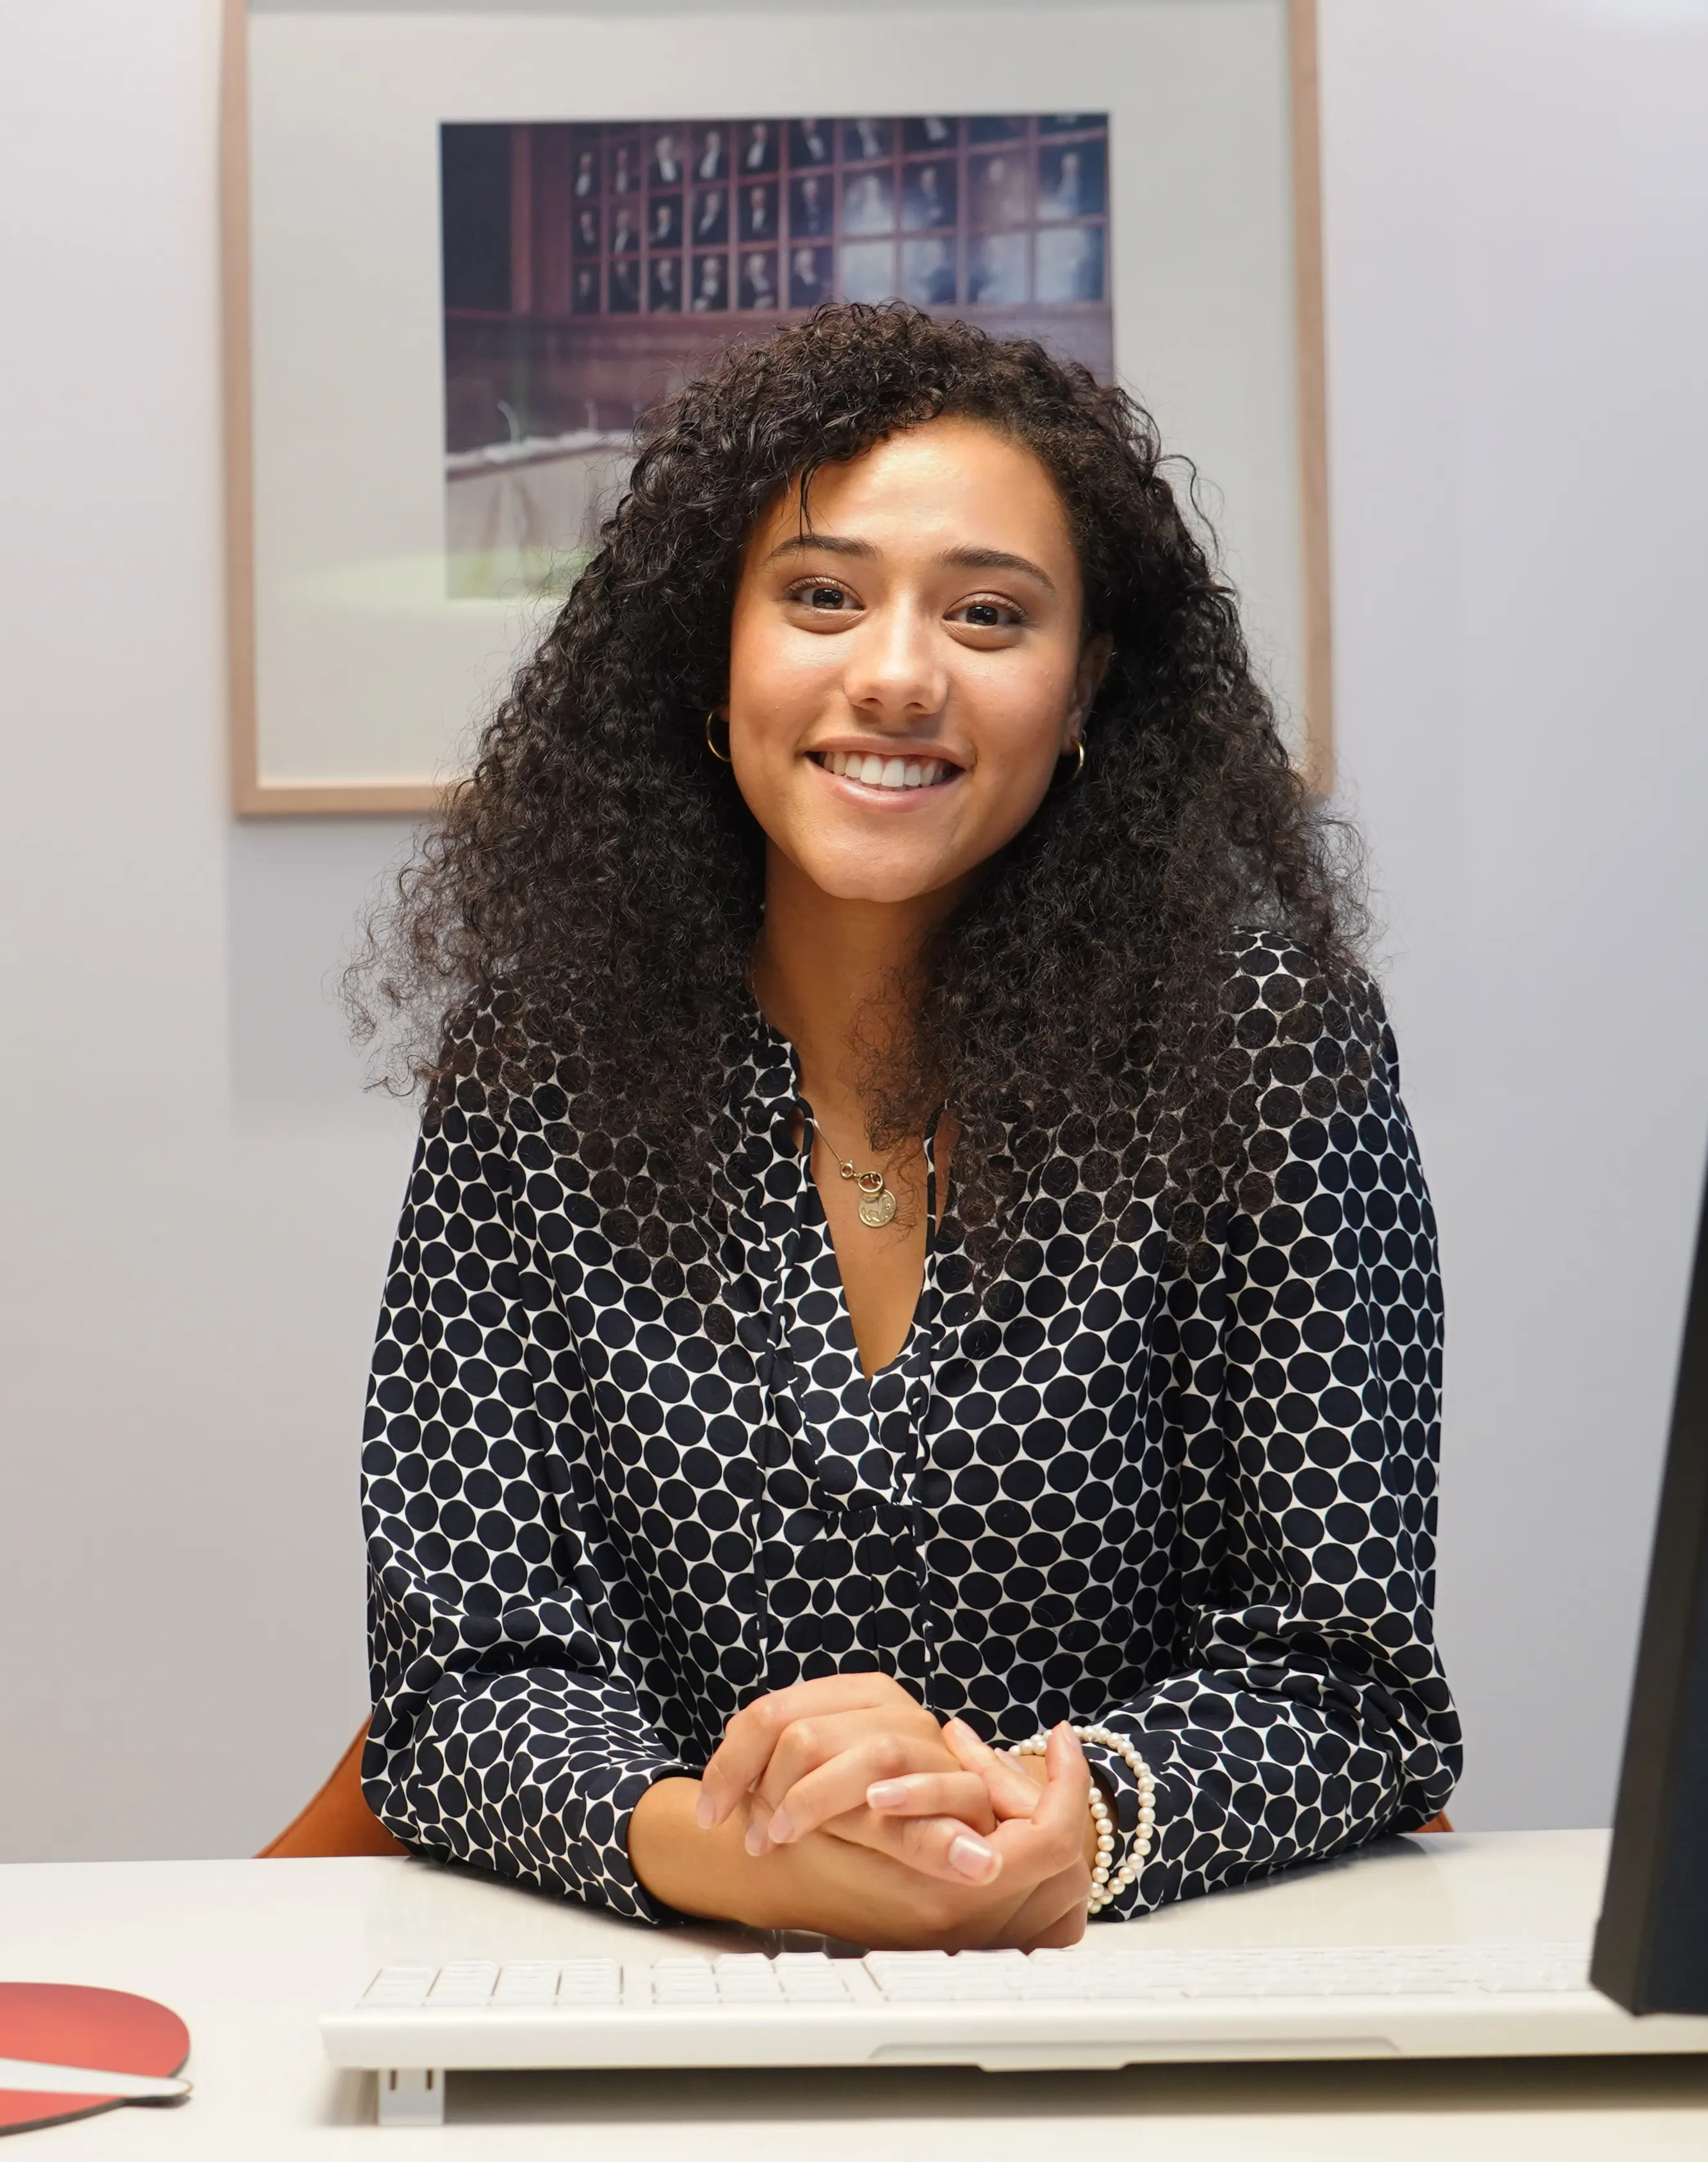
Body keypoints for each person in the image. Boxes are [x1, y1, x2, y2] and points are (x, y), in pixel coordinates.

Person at [353, 305, 1458, 1949]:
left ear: (1084, 686)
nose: (895, 673)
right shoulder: (543, 1063)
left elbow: (1349, 1671)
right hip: (657, 1993)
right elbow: (462, 1678)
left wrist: (1062, 1827)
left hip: (1139, 1993)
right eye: (821, 594)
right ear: (708, 659)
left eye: (989, 614)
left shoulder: (1263, 1043)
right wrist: (725, 1851)